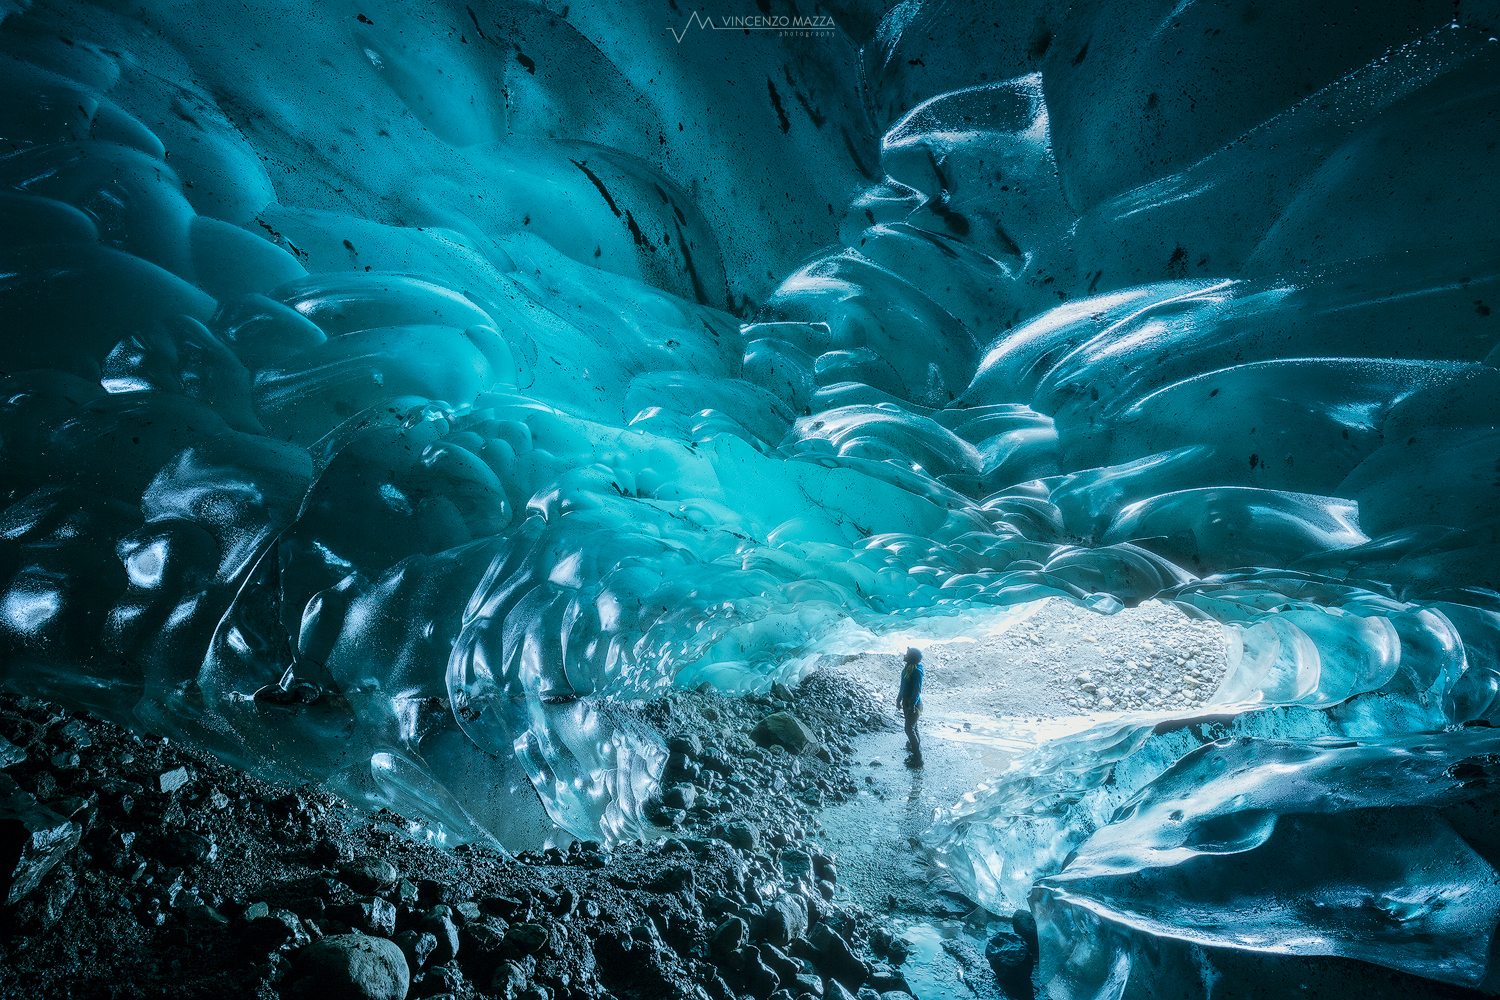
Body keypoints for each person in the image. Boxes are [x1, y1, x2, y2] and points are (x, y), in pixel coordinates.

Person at [897, 647, 924, 766]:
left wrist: (912, 705)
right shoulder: (907, 669)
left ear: (912, 657)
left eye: (907, 654)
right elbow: (903, 687)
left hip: (913, 704)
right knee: (913, 728)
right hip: (908, 703)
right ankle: (915, 751)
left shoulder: (916, 671)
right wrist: (899, 699)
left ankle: (918, 758)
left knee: (909, 729)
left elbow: (917, 690)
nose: (905, 655)